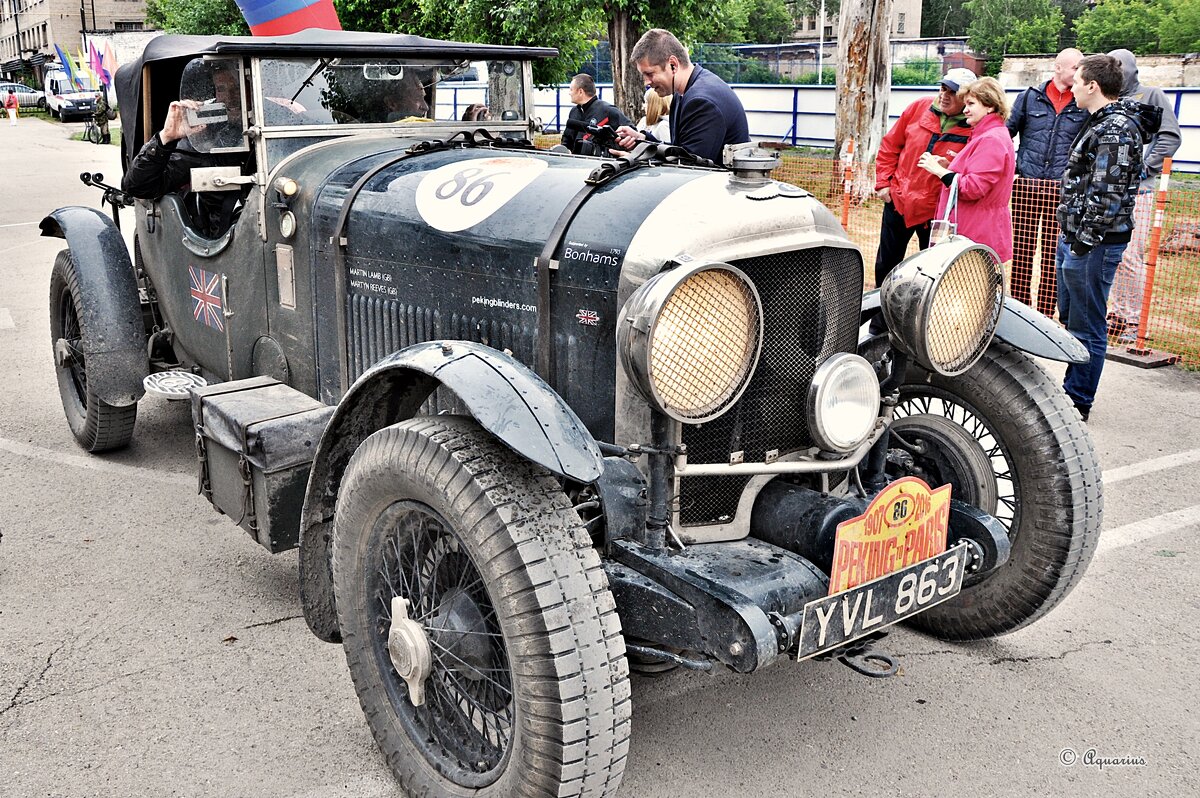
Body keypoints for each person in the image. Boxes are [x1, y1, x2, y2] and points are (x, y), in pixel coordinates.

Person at [1055, 54, 1160, 421]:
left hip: (1094, 244)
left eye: (1077, 81)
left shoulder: (1115, 129)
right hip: (1078, 237)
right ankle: (1073, 388)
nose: (1071, 87)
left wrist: (1082, 241)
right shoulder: (1101, 122)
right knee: (1075, 317)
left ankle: (1076, 400)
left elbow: (1108, 193)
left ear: (1092, 86)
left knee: (1088, 325)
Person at [871, 68, 976, 288]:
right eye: (943, 88)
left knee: (932, 273)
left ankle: (921, 318)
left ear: (967, 97)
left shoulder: (974, 127)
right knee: (886, 265)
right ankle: (880, 318)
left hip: (936, 212)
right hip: (898, 201)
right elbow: (890, 146)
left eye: (952, 92)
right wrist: (883, 184)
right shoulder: (919, 108)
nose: (944, 95)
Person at [123, 58, 249, 238]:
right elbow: (139, 187)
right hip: (224, 243)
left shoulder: (279, 131)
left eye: (238, 88)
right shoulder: (206, 142)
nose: (230, 97)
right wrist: (165, 138)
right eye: (222, 89)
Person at [1106, 49, 1183, 343]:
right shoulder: (1109, 100)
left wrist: (1144, 168)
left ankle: (1136, 320)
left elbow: (1170, 136)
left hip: (1140, 191)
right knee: (1110, 254)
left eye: (1119, 67)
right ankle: (1118, 313)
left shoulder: (1151, 96)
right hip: (1110, 192)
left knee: (1130, 255)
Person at [1006, 48, 1086, 316]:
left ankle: (1044, 313)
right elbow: (1006, 133)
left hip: (1062, 192)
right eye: (1075, 67)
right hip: (1026, 187)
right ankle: (1018, 309)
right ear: (1059, 68)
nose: (1079, 73)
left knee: (1055, 254)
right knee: (1023, 250)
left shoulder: (1082, 103)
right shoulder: (1029, 98)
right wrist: (1014, 168)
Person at [613, 28, 749, 164]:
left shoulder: (701, 101)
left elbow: (688, 167)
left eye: (649, 74)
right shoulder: (684, 93)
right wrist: (641, 140)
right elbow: (681, 151)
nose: (646, 82)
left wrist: (634, 160)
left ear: (673, 65)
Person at [917, 77, 1016, 263]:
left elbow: (973, 188)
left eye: (971, 104)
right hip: (973, 232)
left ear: (990, 106)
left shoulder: (991, 139)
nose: (965, 110)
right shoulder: (986, 134)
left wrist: (939, 171)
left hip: (975, 234)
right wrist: (949, 166)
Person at [560, 73, 629, 155]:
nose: (569, 93)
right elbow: (567, 139)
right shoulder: (574, 111)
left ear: (580, 91)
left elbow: (630, 133)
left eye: (571, 89)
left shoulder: (608, 111)